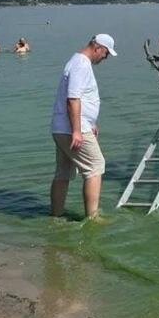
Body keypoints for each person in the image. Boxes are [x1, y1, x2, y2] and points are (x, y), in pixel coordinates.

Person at [50, 33, 117, 219]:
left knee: (63, 172)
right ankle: (93, 218)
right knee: (95, 166)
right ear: (98, 48)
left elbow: (81, 98)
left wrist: (91, 122)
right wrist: (78, 131)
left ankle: (56, 216)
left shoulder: (76, 61)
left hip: (62, 128)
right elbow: (73, 99)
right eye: (106, 54)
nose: (105, 58)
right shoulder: (81, 64)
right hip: (72, 129)